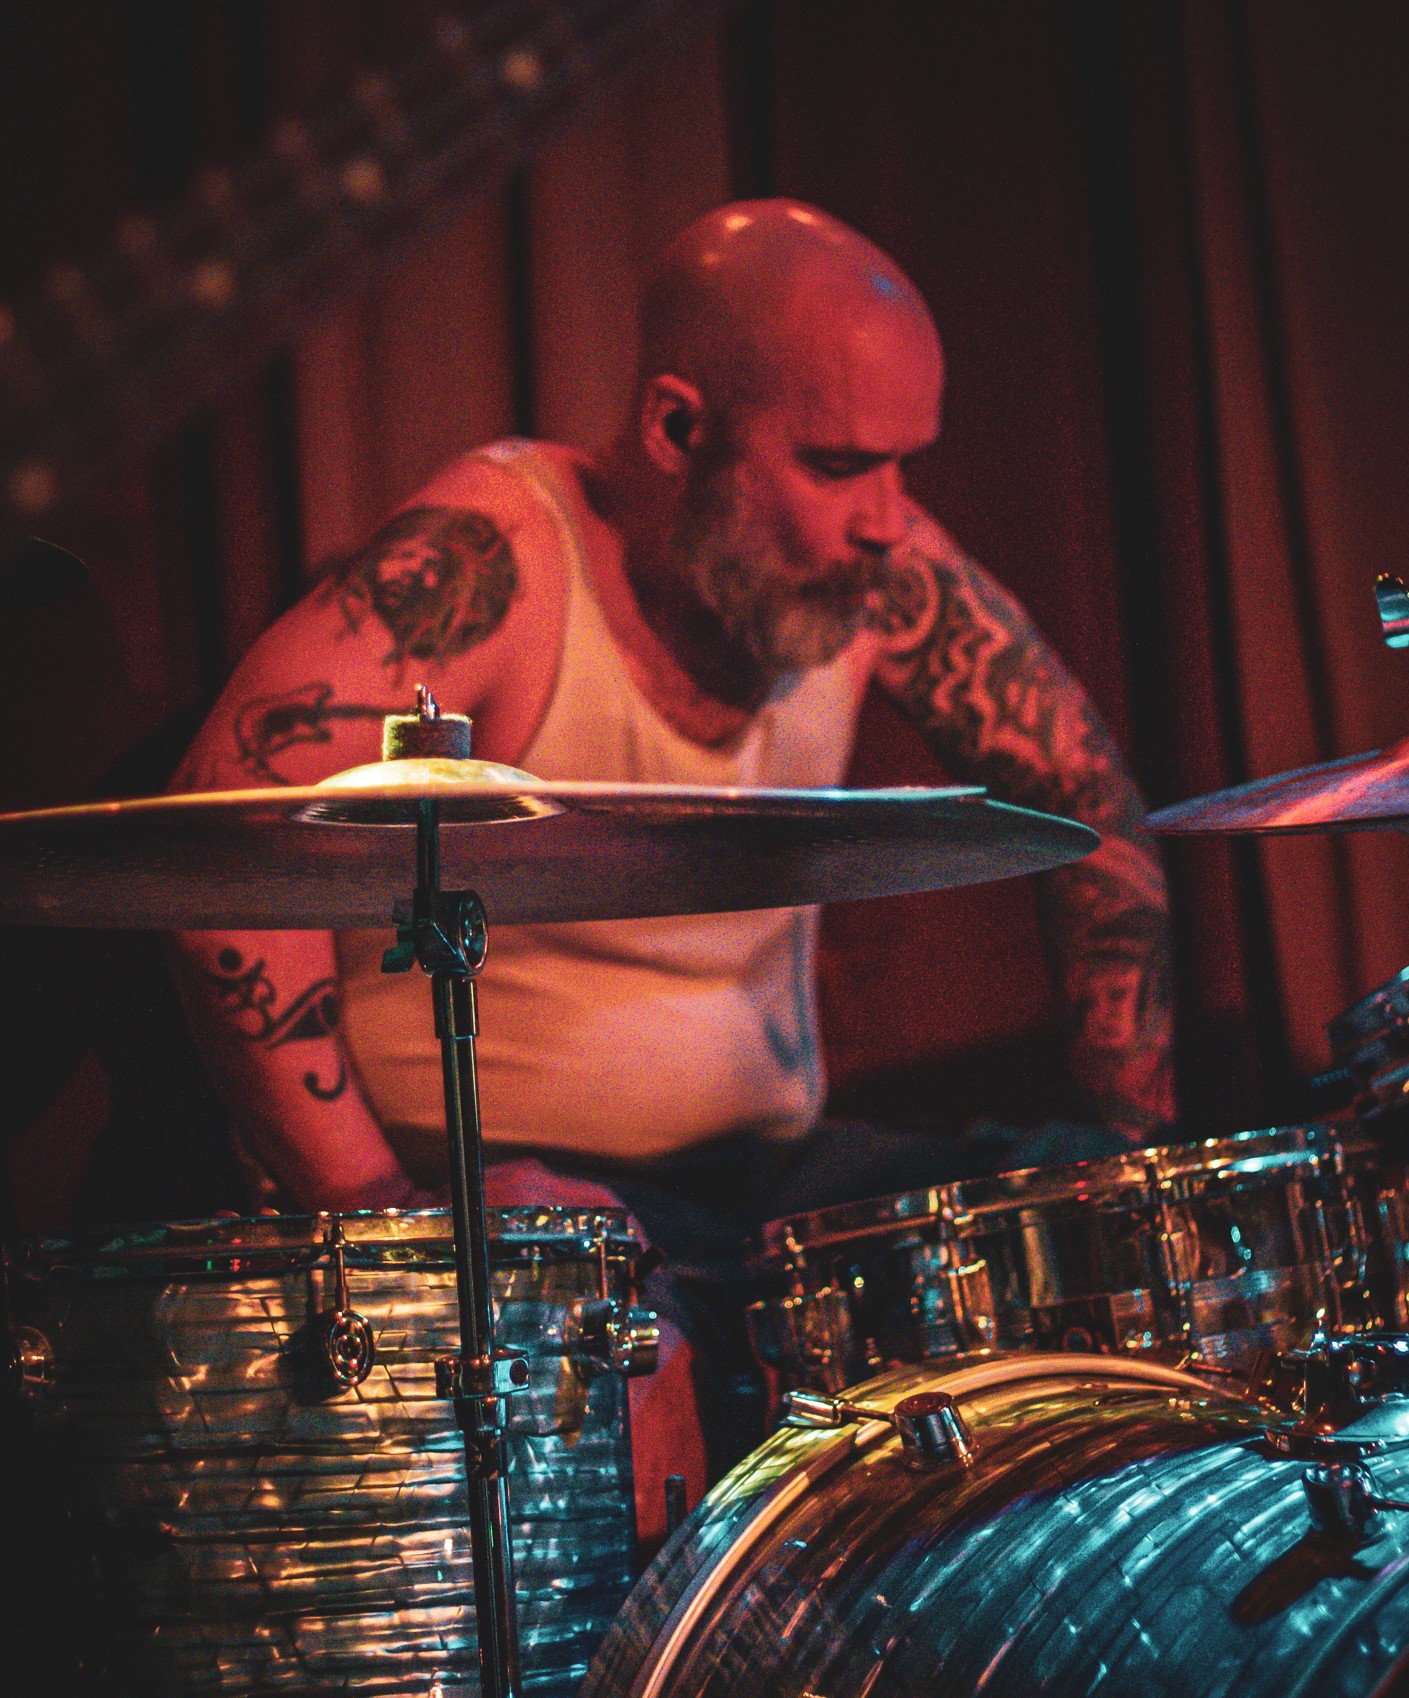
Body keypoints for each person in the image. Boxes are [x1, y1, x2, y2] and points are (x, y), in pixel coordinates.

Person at [172, 200, 1174, 1529]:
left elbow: (1083, 795)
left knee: (1107, 1223)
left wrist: (1133, 1142)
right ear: (675, 429)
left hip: (768, 1187)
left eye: (904, 464)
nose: (890, 520)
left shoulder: (873, 568)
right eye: (837, 464)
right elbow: (223, 824)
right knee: (613, 1353)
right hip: (513, 1189)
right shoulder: (498, 561)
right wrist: (383, 1208)